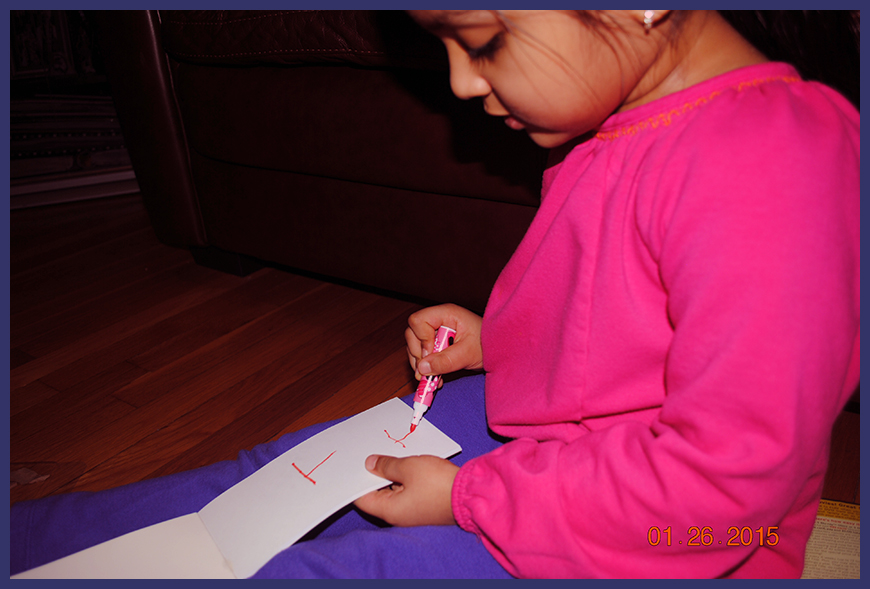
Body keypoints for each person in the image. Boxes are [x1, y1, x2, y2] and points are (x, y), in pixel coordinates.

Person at [11, 10, 859, 579]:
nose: (460, 83)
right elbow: (619, 325)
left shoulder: (773, 156)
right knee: (266, 484)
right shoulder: (622, 124)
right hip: (551, 444)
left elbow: (728, 488)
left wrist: (467, 498)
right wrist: (498, 340)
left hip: (665, 535)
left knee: (322, 567)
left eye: (482, 40)